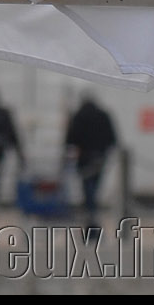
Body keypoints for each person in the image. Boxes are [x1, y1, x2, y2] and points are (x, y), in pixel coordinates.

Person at [65, 96, 118, 230]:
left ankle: (90, 215)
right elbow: (112, 138)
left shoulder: (79, 116)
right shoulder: (103, 115)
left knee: (87, 188)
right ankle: (92, 214)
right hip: (100, 157)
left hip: (84, 159)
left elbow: (71, 138)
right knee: (95, 187)